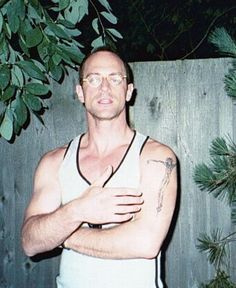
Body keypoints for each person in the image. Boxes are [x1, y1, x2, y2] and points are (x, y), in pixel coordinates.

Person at [21, 47, 177, 288]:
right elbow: (30, 241)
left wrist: (63, 235)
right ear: (80, 92)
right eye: (94, 79)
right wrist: (77, 211)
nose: (105, 87)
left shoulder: (156, 157)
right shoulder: (54, 162)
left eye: (115, 78)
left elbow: (146, 243)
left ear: (128, 91)